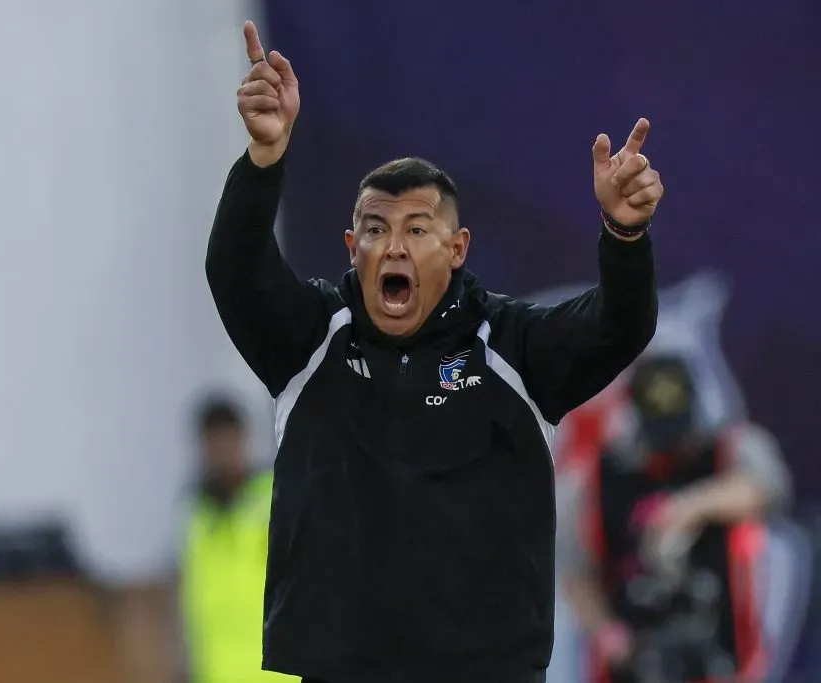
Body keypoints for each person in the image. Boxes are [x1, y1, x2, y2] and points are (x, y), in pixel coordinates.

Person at [205, 20, 664, 683]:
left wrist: (625, 235)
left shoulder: (512, 345)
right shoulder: (309, 337)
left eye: (417, 229)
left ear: (457, 249)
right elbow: (235, 270)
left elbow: (619, 325)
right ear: (350, 248)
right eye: (375, 229)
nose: (393, 246)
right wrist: (263, 159)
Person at [559, 355, 790, 683]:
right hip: (635, 656)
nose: (672, 449)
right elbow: (574, 571)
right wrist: (608, 632)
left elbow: (769, 486)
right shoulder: (597, 478)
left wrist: (688, 507)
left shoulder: (731, 451)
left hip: (720, 656)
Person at [178, 396, 295, 683]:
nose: (221, 454)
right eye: (213, 444)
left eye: (227, 442)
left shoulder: (275, 498)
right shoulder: (195, 515)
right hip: (218, 674)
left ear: (242, 440)